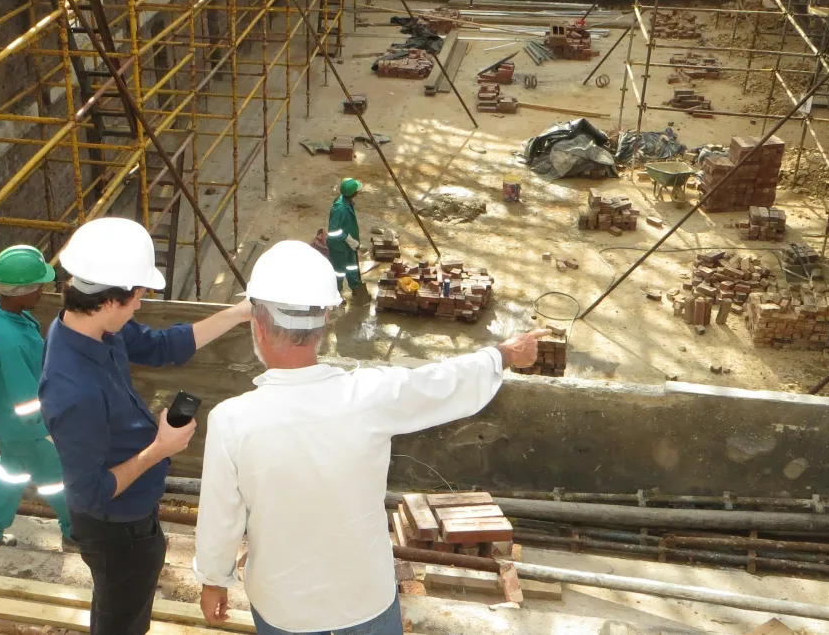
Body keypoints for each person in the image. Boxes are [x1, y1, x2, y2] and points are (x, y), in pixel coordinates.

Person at [191, 240, 542, 635]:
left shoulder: (232, 421)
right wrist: (504, 354)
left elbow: (220, 519)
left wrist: (213, 580)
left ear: (257, 325)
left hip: (286, 609)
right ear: (325, 323)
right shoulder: (370, 396)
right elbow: (443, 383)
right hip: (367, 600)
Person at [41, 217, 253, 635]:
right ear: (108, 300)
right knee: (123, 620)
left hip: (134, 515)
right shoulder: (74, 391)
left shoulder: (91, 325)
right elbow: (90, 493)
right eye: (137, 297)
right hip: (115, 528)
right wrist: (160, 448)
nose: (140, 306)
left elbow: (162, 347)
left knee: (118, 608)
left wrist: (239, 313)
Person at [0, 245, 74, 551]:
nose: (43, 290)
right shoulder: (12, 341)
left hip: (1, 417)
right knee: (59, 480)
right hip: (29, 427)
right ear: (20, 292)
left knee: (11, 473)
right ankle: (77, 532)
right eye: (38, 286)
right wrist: (49, 429)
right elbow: (26, 400)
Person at [325, 178, 365, 296]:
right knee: (339, 271)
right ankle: (336, 293)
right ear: (353, 193)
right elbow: (333, 232)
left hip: (348, 245)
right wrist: (348, 238)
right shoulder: (339, 209)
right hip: (338, 247)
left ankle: (355, 286)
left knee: (352, 266)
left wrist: (351, 241)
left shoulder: (347, 202)